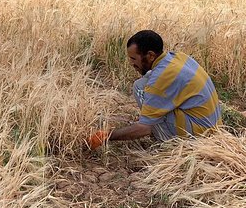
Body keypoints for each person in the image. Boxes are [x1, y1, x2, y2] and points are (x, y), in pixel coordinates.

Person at [87, 30, 222, 150]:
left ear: (150, 56)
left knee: (140, 90)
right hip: (213, 127)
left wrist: (107, 135)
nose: (131, 63)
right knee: (141, 85)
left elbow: (144, 129)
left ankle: (171, 143)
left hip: (199, 138)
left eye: (134, 58)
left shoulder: (160, 79)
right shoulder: (177, 57)